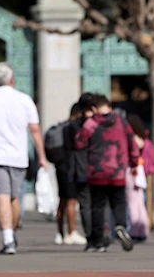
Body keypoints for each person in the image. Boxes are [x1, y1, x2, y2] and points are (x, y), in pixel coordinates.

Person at [0, 62, 47, 255]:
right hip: (19, 157)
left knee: (1, 196)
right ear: (12, 79)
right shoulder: (24, 100)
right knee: (13, 197)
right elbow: (35, 130)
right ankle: (11, 234)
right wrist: (42, 157)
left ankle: (8, 238)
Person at [75, 94, 138, 253]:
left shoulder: (91, 123)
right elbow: (132, 142)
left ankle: (98, 241)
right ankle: (120, 225)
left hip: (97, 172)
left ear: (94, 108)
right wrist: (134, 162)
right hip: (117, 171)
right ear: (109, 106)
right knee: (119, 202)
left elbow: (79, 142)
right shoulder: (121, 121)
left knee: (97, 206)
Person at [54, 104, 87, 245]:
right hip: (72, 168)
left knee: (62, 201)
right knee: (72, 201)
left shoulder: (60, 127)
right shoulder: (74, 128)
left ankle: (60, 233)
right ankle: (71, 232)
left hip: (60, 167)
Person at [64, 94, 95, 242]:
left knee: (85, 204)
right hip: (96, 168)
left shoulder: (71, 126)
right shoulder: (96, 124)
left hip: (78, 169)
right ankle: (99, 233)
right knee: (97, 203)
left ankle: (90, 235)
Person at [126, 114, 154, 241]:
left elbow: (133, 155)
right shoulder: (145, 139)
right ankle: (143, 230)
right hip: (142, 172)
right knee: (140, 202)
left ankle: (134, 230)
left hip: (133, 170)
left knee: (132, 203)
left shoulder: (132, 139)